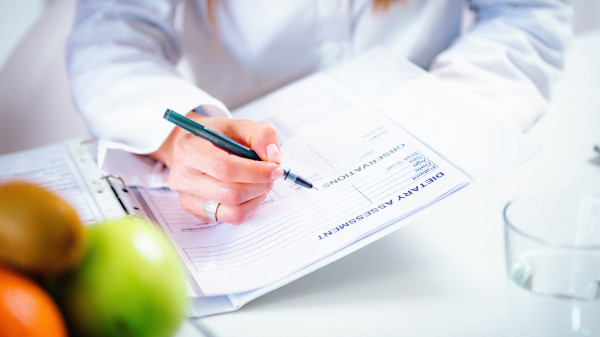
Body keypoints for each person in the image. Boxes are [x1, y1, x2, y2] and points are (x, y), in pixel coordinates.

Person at [66, 0, 572, 224]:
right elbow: (110, 37)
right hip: (246, 180)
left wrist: (444, 118)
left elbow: (527, 13)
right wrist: (181, 136)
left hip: (440, 177)